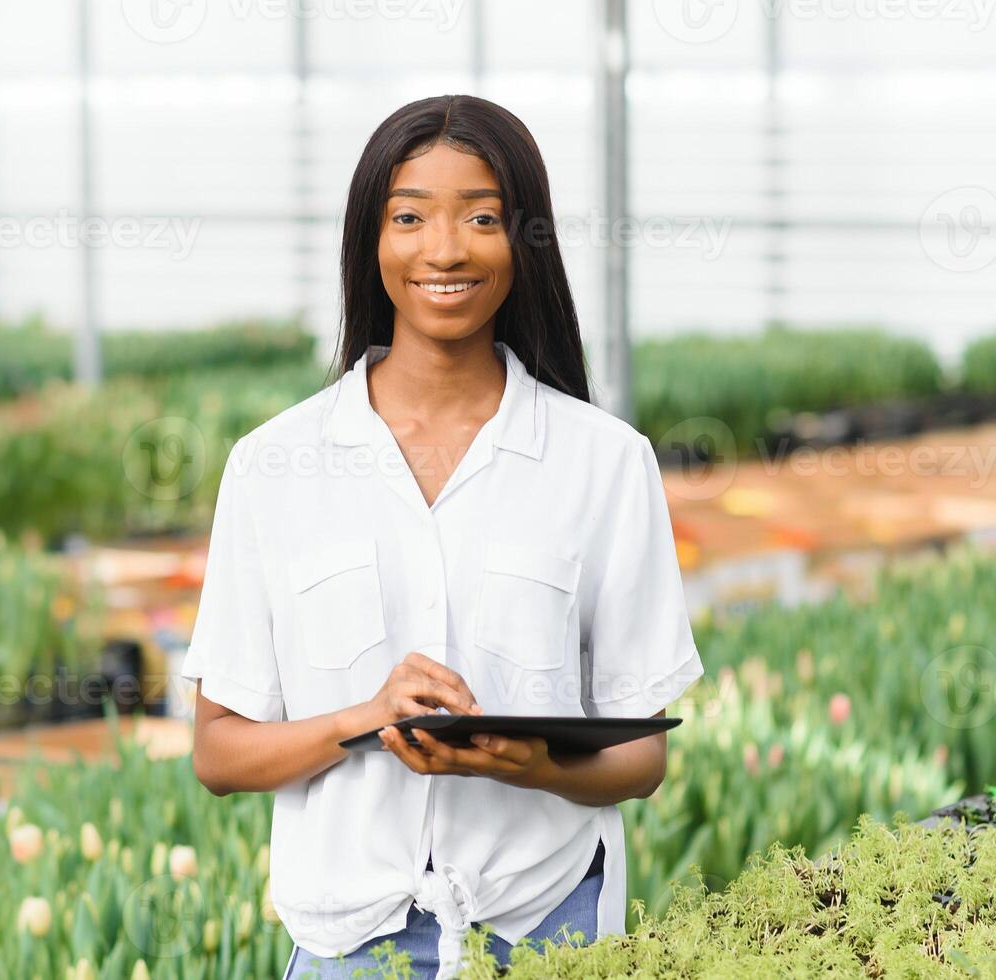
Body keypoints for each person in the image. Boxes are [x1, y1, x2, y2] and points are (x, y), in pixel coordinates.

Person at [183, 93, 704, 980]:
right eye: (411, 216)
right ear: (370, 240)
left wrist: (532, 766)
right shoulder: (275, 464)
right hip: (349, 946)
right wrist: (362, 718)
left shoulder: (605, 462)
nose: (446, 249)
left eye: (483, 217)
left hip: (551, 935)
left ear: (524, 241)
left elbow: (641, 753)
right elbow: (220, 750)